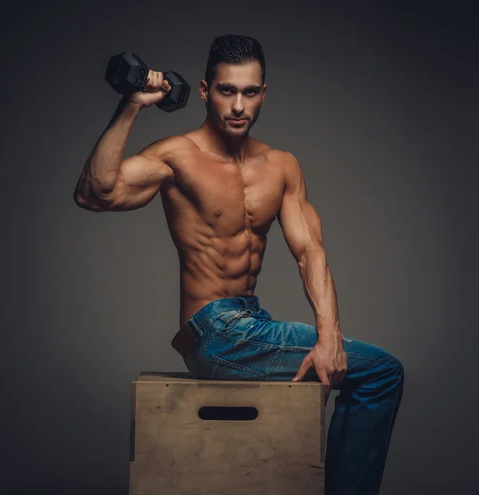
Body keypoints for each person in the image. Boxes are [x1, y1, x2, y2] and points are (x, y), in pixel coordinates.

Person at [75, 34, 404, 495]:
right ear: (207, 90)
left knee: (348, 366)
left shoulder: (281, 165)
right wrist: (133, 105)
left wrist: (329, 336)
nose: (238, 106)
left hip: (252, 320)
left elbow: (310, 251)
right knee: (383, 372)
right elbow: (96, 193)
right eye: (227, 91)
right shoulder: (178, 156)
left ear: (263, 93)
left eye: (250, 92)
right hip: (213, 329)